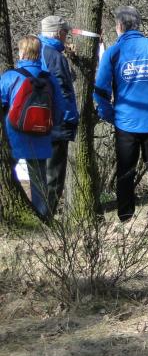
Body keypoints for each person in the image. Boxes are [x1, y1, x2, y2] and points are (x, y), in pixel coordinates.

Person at [93, 6, 148, 221]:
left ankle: (126, 218)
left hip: (125, 122)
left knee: (125, 173)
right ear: (137, 25)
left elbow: (101, 91)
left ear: (119, 26)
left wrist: (110, 116)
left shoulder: (113, 53)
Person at [1, 35, 72, 222]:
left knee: (7, 173)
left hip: (14, 135)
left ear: (22, 52)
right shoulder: (49, 79)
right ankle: (42, 219)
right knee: (39, 181)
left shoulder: (10, 77)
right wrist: (49, 126)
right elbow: (60, 109)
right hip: (41, 135)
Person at [39, 15, 80, 213]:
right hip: (55, 123)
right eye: (65, 33)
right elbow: (62, 90)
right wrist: (70, 119)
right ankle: (46, 218)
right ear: (57, 33)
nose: (66, 37)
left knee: (40, 176)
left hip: (36, 123)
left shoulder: (35, 50)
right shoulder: (53, 56)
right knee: (53, 177)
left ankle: (41, 214)